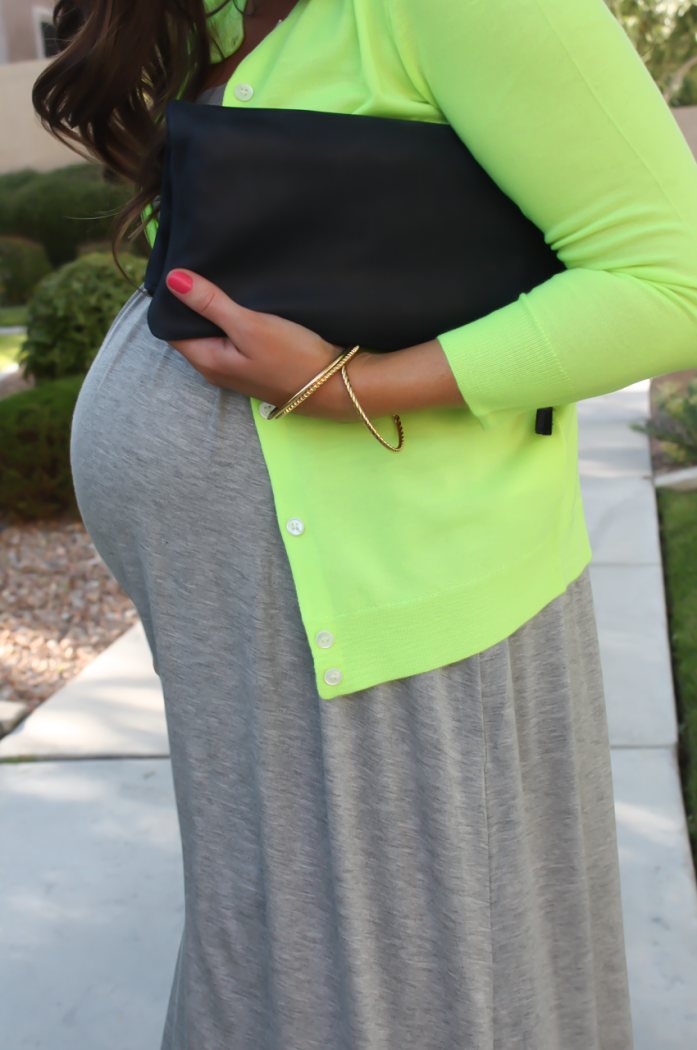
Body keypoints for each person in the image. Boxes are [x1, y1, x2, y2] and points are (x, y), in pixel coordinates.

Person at [33, 1, 697, 1047]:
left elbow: (674, 281)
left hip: (400, 656)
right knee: (273, 967)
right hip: (253, 656)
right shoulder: (218, 14)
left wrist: (358, 387)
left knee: (393, 995)